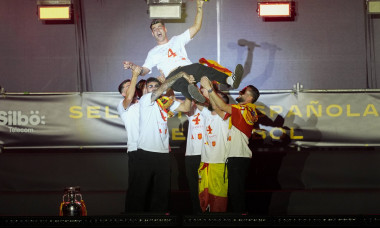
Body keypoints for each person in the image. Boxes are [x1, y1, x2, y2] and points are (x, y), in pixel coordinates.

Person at [123, 0, 244, 103]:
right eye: (154, 29)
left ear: (165, 29)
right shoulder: (153, 52)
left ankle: (229, 80)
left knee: (199, 67)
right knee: (181, 84)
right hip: (172, 75)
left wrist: (200, 6)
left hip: (188, 69)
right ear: (152, 34)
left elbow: (196, 27)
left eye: (160, 27)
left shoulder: (177, 39)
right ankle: (195, 95)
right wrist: (133, 67)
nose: (157, 30)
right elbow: (144, 71)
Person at [129, 72, 193, 213]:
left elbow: (186, 108)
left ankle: (160, 219)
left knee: (162, 190)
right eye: (150, 86)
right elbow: (159, 91)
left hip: (163, 153)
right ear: (146, 89)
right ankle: (135, 218)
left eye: (155, 86)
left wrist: (189, 91)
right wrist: (179, 75)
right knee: (140, 190)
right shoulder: (146, 99)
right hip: (145, 152)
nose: (153, 88)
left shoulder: (165, 102)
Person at [200, 76, 260, 213]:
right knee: (234, 191)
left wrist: (210, 89)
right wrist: (209, 92)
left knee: (236, 191)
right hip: (234, 156)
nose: (240, 92)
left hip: (239, 156)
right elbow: (219, 110)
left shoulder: (246, 108)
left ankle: (241, 217)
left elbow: (222, 106)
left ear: (250, 97)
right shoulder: (241, 111)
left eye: (244, 91)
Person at [196, 86, 230, 213]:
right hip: (205, 161)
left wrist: (209, 91)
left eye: (218, 98)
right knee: (204, 197)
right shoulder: (207, 114)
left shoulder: (226, 117)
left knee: (218, 197)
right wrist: (195, 87)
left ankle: (218, 219)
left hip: (219, 162)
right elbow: (197, 100)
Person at [117, 66, 144, 213]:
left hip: (152, 149)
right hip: (136, 149)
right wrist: (134, 76)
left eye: (132, 84)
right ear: (122, 93)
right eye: (128, 86)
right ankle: (131, 215)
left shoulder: (144, 103)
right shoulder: (122, 106)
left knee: (151, 184)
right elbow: (129, 97)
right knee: (136, 184)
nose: (132, 86)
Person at [183, 96, 205, 214]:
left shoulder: (210, 110)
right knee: (193, 187)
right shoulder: (192, 109)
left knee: (205, 187)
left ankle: (208, 213)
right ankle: (197, 214)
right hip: (191, 155)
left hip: (205, 154)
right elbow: (177, 103)